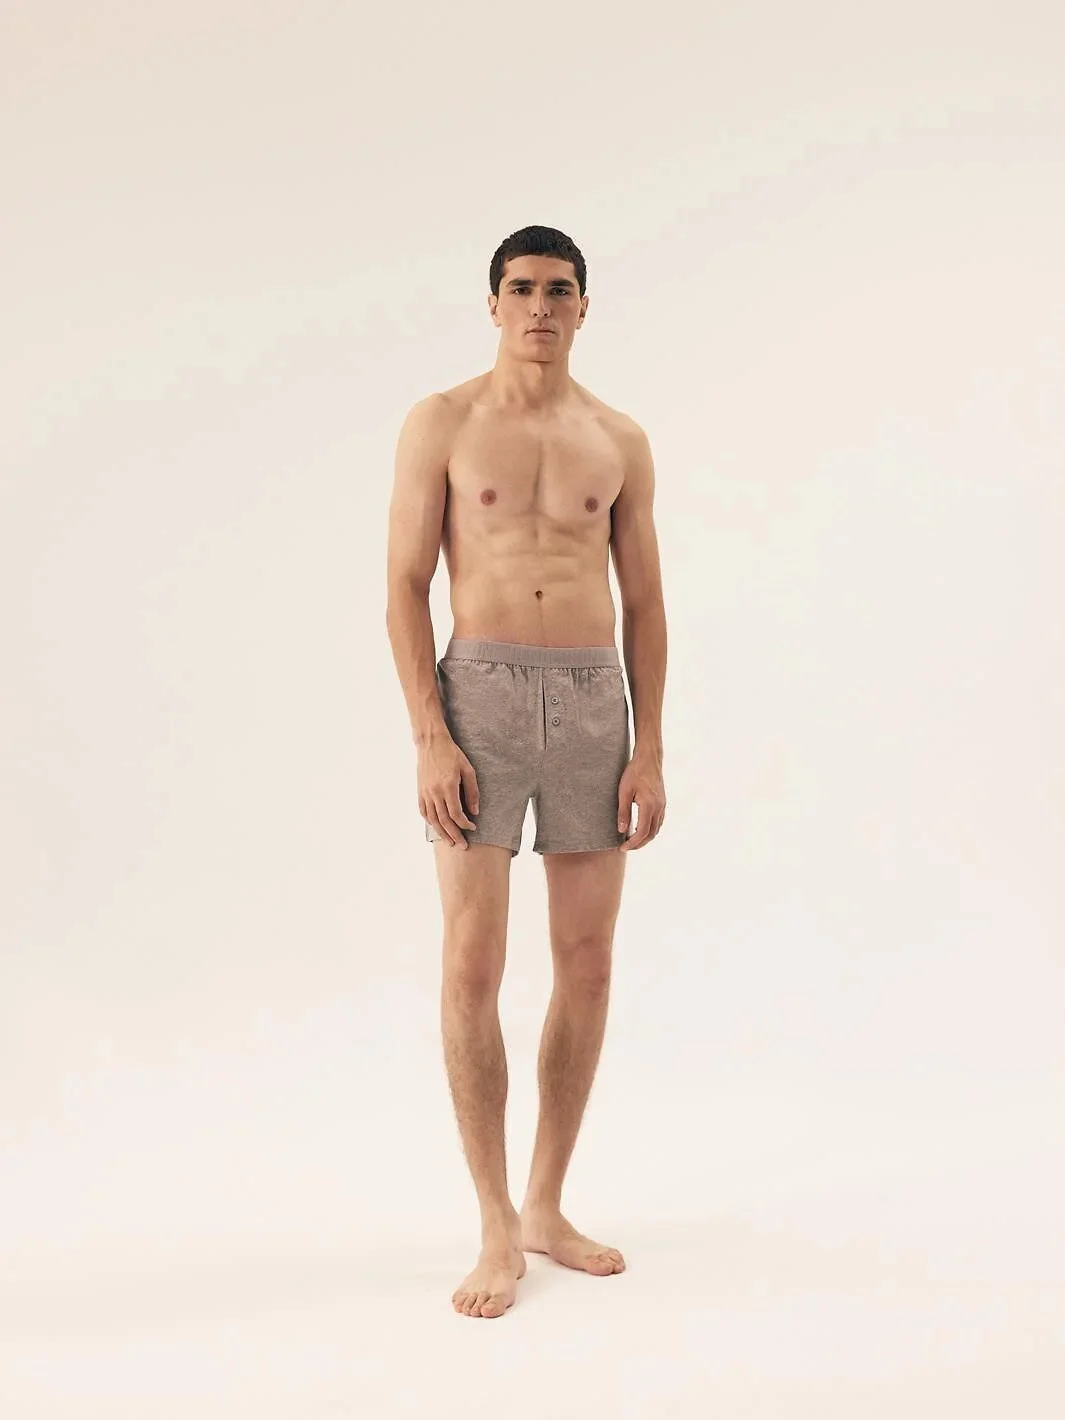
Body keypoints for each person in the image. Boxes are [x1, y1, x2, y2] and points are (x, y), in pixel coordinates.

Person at [385, 225, 667, 1318]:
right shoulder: (443, 422)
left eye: (558, 289)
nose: (539, 306)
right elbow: (404, 583)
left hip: (595, 698)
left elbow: (646, 603)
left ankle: (546, 1203)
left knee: (586, 963)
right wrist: (429, 733)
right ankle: (494, 1220)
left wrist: (649, 745)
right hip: (481, 697)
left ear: (584, 306)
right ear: (493, 304)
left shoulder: (619, 438)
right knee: (472, 962)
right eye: (520, 288)